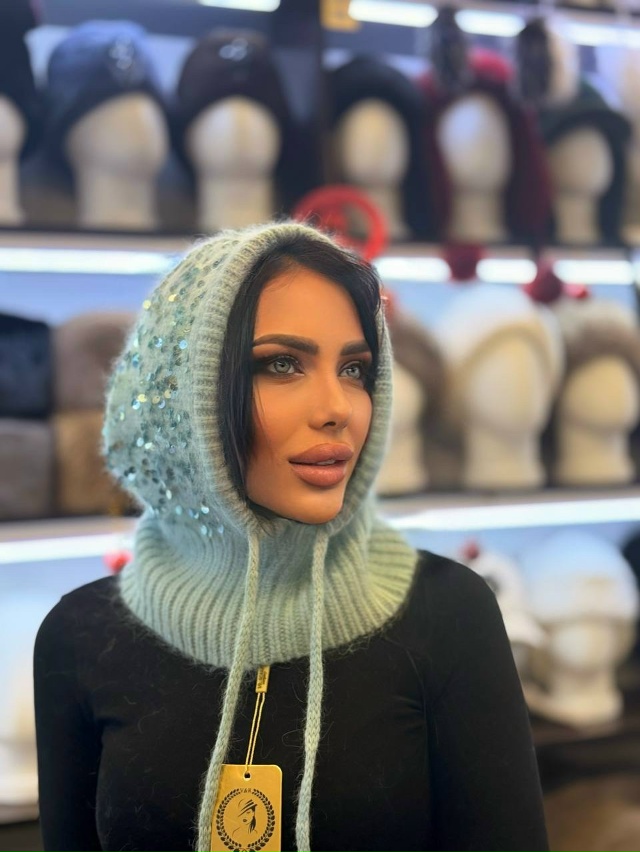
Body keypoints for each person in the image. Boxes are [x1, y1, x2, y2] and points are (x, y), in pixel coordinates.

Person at [34, 221, 549, 852]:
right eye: (282, 364)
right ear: (181, 398)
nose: (338, 407)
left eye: (355, 369)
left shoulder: (449, 616)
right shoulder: (79, 638)